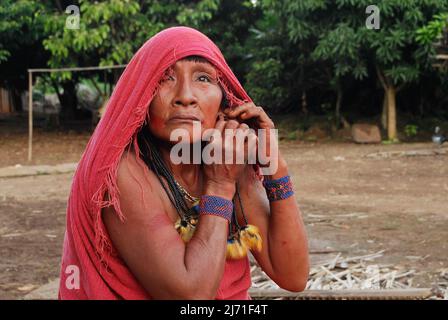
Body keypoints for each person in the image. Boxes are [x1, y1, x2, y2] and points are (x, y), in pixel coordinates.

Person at [58, 26, 309, 300]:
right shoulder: (124, 175)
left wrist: (275, 168)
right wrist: (219, 186)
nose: (185, 95)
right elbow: (192, 298)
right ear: (142, 97)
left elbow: (293, 276)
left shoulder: (226, 160)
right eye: (165, 78)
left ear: (225, 102)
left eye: (203, 78)